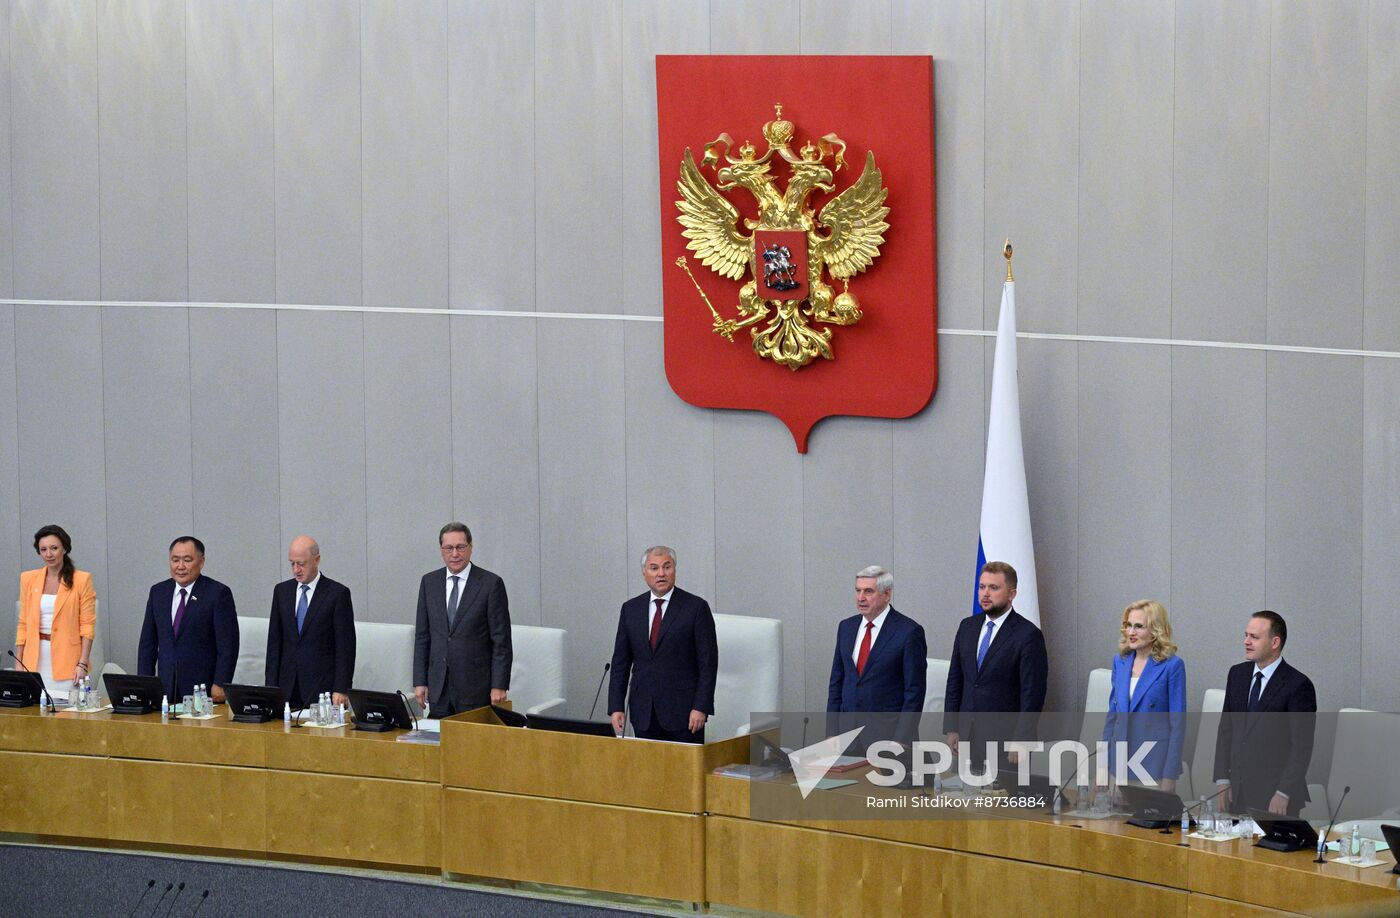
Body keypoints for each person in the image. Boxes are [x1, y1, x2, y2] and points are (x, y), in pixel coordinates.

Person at [608, 546, 718, 743]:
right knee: (647, 772)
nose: (661, 574)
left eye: (667, 567)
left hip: (684, 714)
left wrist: (701, 707)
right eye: (654, 568)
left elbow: (708, 664)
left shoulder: (696, 608)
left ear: (674, 570)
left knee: (684, 772)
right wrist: (616, 706)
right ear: (644, 573)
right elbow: (620, 663)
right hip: (643, 712)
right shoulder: (630, 609)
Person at [943, 561, 1048, 766]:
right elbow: (955, 680)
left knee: (1004, 797)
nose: (985, 594)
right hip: (967, 736)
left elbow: (1032, 695)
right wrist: (952, 727)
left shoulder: (1028, 635)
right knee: (969, 796)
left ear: (1012, 594)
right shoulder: (967, 627)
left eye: (994, 587)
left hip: (1006, 742)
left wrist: (1021, 739)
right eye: (982, 587)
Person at [1213, 610, 1316, 817]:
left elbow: (1301, 747)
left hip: (1275, 796)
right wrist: (1222, 778)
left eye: (1254, 637)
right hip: (1238, 792)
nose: (1246, 642)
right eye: (1246, 635)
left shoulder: (1298, 685)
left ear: (1275, 642)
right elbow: (1226, 729)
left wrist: (1284, 792)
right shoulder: (1237, 674)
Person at [413, 523, 512, 716]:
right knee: (438, 743)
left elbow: (501, 642)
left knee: (472, 744)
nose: (455, 554)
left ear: (471, 547)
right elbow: (423, 637)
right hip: (439, 687)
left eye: (460, 547)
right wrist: (420, 680)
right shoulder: (429, 582)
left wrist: (499, 685)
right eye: (449, 548)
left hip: (475, 689)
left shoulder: (491, 584)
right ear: (441, 550)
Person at [137, 537, 240, 704]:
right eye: (175, 560)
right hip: (165, 689)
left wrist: (220, 683)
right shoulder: (158, 592)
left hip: (202, 690)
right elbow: (147, 644)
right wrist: (144, 684)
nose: (180, 566)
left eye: (187, 560)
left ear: (201, 561)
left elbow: (228, 645)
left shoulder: (218, 593)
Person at [1101, 600, 1186, 791]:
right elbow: (1112, 718)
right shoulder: (1120, 661)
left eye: (1138, 626)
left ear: (1155, 630)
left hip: (1152, 767)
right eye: (1128, 625)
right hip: (1118, 766)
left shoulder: (1172, 665)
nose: (1131, 632)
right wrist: (1102, 767)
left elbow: (1178, 725)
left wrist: (1169, 776)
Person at [266, 536, 356, 710]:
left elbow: (345, 647)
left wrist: (341, 688)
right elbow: (274, 644)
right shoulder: (282, 591)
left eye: (301, 563)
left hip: (321, 688)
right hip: (287, 687)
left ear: (317, 560)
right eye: (292, 564)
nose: (296, 570)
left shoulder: (337, 594)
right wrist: (271, 688)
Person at [827, 565, 927, 714]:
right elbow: (837, 682)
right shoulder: (846, 627)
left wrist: (902, 737)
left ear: (886, 594)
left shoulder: (909, 632)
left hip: (888, 731)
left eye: (868, 591)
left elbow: (914, 692)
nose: (861, 597)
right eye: (858, 590)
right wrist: (832, 732)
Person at [14, 525, 97, 700]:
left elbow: (87, 626)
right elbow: (23, 623)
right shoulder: (28, 579)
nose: (48, 554)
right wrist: (18, 662)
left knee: (65, 715)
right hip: (35, 658)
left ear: (64, 549)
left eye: (54, 548)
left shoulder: (81, 580)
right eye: (43, 549)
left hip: (67, 660)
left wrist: (82, 663)